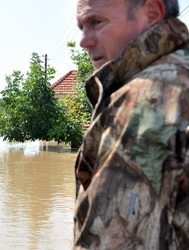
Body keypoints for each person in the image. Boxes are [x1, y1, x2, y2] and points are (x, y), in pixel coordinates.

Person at [74, 0, 189, 248]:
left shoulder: (142, 103)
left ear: (151, 13)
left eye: (96, 22)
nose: (84, 41)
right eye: (81, 27)